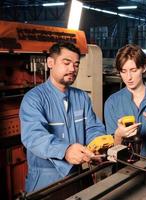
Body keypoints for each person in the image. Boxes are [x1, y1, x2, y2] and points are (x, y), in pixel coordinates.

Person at [20, 42, 106, 192]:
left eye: (76, 64)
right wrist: (65, 150)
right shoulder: (33, 99)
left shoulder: (82, 97)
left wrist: (97, 145)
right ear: (50, 63)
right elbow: (34, 135)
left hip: (78, 175)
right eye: (66, 63)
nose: (72, 69)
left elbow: (93, 127)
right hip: (46, 181)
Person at [104, 44, 146, 156]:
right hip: (126, 169)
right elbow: (111, 152)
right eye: (123, 71)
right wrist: (119, 135)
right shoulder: (112, 103)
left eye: (133, 70)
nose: (128, 77)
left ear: (143, 68)